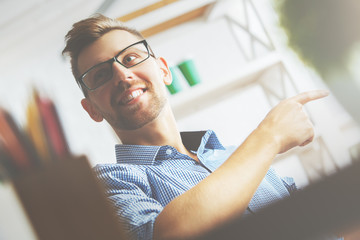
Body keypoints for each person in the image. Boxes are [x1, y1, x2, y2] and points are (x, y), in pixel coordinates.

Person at [62, 14, 340, 240]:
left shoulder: (236, 157)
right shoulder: (108, 185)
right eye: (100, 74)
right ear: (92, 110)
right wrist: (270, 137)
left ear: (164, 71)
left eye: (131, 58)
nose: (122, 75)